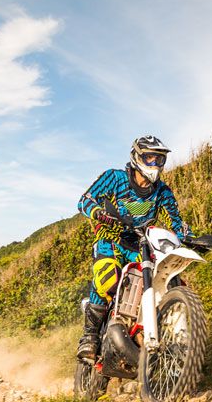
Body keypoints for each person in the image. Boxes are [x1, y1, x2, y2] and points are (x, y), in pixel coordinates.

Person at [75, 135, 191, 360]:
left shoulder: (162, 191)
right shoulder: (115, 178)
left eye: (159, 160)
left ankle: (159, 336)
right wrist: (99, 213)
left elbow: (176, 221)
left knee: (161, 281)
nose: (155, 165)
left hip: (142, 244)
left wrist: (192, 237)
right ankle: (89, 337)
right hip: (111, 240)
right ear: (137, 157)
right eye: (149, 158)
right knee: (106, 277)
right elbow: (85, 200)